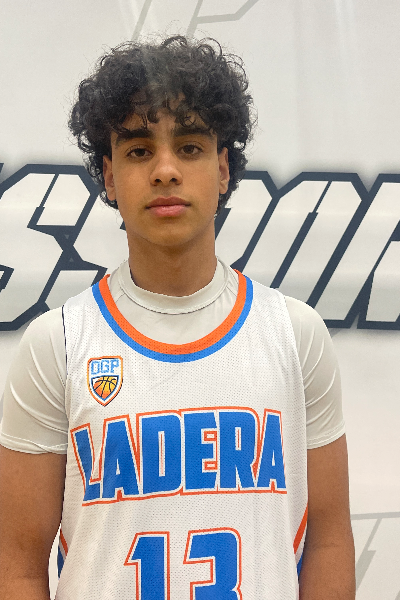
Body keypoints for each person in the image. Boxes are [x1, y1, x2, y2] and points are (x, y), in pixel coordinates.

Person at [0, 36, 355, 599]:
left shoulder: (295, 335)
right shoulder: (58, 344)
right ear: (109, 176)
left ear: (223, 169)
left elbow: (329, 540)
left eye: (189, 146)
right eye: (139, 150)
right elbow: (16, 566)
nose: (165, 170)